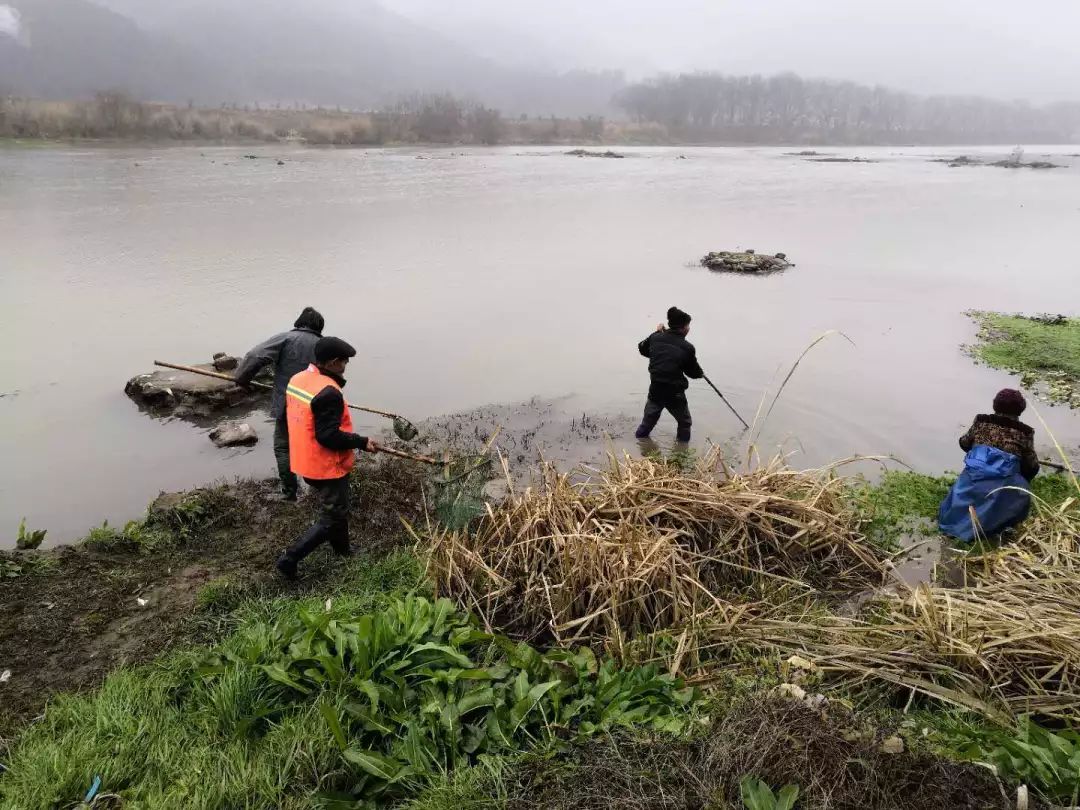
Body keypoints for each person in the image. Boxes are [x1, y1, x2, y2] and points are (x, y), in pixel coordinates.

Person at [276, 336, 380, 579]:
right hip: (325, 464)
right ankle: (290, 558)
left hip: (304, 459)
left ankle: (343, 550)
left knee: (338, 509)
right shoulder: (329, 392)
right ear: (333, 362)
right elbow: (328, 436)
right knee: (332, 517)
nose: (345, 367)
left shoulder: (299, 379)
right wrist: (362, 442)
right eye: (344, 362)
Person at [235, 307, 325, 501]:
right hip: (317, 406)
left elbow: (255, 355)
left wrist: (242, 379)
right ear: (319, 327)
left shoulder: (286, 338)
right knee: (315, 445)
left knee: (283, 448)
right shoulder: (323, 346)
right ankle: (319, 488)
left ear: (299, 323)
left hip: (288, 405)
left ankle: (290, 492)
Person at [938, 388, 1040, 542]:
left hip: (974, 478)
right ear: (1020, 410)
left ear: (995, 405)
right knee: (1021, 490)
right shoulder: (1025, 432)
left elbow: (964, 443)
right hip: (1001, 486)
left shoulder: (981, 421)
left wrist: (980, 452)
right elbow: (1032, 466)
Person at [635, 306, 704, 443]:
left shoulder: (655, 337)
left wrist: (656, 333)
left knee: (647, 424)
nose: (689, 328)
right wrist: (700, 373)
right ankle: (682, 451)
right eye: (688, 326)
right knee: (685, 423)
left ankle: (639, 443)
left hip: (655, 391)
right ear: (683, 328)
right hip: (675, 394)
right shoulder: (687, 348)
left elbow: (643, 349)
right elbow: (692, 372)